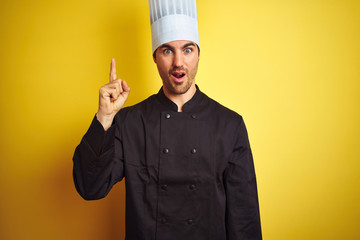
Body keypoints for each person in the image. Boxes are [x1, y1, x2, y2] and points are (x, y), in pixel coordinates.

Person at [73, 1, 262, 239]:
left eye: (187, 49)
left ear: (199, 53)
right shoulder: (130, 122)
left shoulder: (229, 125)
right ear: (154, 56)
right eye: (167, 50)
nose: (178, 63)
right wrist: (105, 117)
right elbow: (90, 188)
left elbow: (244, 220)